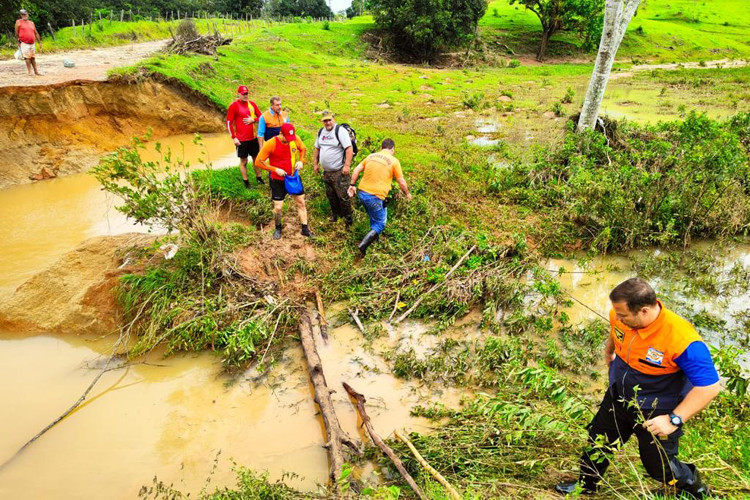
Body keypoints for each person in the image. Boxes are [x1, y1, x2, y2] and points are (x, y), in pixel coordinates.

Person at [555, 278, 720, 498]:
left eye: (623, 314)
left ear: (643, 310)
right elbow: (615, 331)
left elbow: (709, 387)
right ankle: (586, 486)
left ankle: (696, 488)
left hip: (655, 410)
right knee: (598, 443)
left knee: (659, 467)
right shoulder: (620, 316)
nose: (617, 317)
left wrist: (673, 420)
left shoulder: (682, 340)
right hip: (619, 396)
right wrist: (609, 353)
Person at [347, 138, 411, 255]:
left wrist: (352, 185)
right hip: (375, 196)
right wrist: (407, 194)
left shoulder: (371, 156)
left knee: (377, 213)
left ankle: (375, 239)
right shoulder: (394, 161)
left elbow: (356, 169)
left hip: (362, 193)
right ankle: (363, 246)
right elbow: (401, 181)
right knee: (380, 223)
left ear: (381, 148)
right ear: (392, 149)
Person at [255, 123, 312, 240]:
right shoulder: (271, 143)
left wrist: (301, 161)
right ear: (280, 134)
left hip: (293, 177)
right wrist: (274, 169)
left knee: (301, 202)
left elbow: (303, 149)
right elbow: (258, 162)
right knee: (278, 207)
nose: (290, 140)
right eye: (287, 138)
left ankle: (305, 229)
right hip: (277, 180)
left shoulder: (295, 139)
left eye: (292, 138)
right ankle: (278, 227)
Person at [313, 111, 354, 225]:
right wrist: (315, 164)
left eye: (329, 120)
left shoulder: (340, 131)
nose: (327, 123)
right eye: (325, 121)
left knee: (343, 196)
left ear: (333, 119)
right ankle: (335, 215)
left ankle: (348, 219)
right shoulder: (321, 132)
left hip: (339, 172)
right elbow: (317, 148)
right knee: (331, 195)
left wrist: (347, 165)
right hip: (326, 172)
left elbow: (349, 149)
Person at [226, 85, 264, 188]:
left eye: (246, 93)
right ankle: (246, 182)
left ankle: (259, 178)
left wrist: (253, 120)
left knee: (256, 159)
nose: (245, 95)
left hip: (253, 138)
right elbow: (229, 122)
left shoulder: (252, 104)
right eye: (243, 94)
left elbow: (261, 116)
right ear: (238, 94)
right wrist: (234, 137)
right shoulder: (234, 106)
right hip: (241, 140)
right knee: (244, 161)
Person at [15, 9, 42, 77]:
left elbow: (36, 33)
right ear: (21, 15)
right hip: (24, 43)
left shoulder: (31, 23)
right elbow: (16, 33)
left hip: (32, 43)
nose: (24, 15)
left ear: (27, 14)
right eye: (22, 14)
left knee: (33, 57)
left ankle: (36, 71)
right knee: (27, 57)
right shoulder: (18, 22)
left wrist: (40, 42)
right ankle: (30, 71)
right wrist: (18, 41)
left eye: (25, 14)